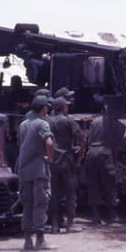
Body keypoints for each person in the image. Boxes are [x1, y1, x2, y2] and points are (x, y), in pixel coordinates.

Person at [17, 95, 56, 251]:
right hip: (39, 170)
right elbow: (49, 142)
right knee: (40, 204)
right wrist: (50, 157)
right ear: (44, 108)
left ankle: (27, 241)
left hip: (24, 169)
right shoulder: (42, 124)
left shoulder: (23, 125)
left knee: (27, 204)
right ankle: (40, 240)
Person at [48, 96, 85, 233]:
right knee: (70, 193)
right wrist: (79, 155)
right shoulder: (69, 121)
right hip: (67, 161)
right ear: (63, 107)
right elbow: (81, 139)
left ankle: (54, 225)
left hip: (52, 161)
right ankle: (69, 224)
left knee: (54, 194)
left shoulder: (47, 122)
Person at [85, 105, 118, 225]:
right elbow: (114, 143)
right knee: (109, 184)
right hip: (105, 152)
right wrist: (115, 161)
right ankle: (112, 215)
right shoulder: (111, 122)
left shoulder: (94, 122)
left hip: (92, 152)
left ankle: (96, 216)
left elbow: (88, 140)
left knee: (93, 184)